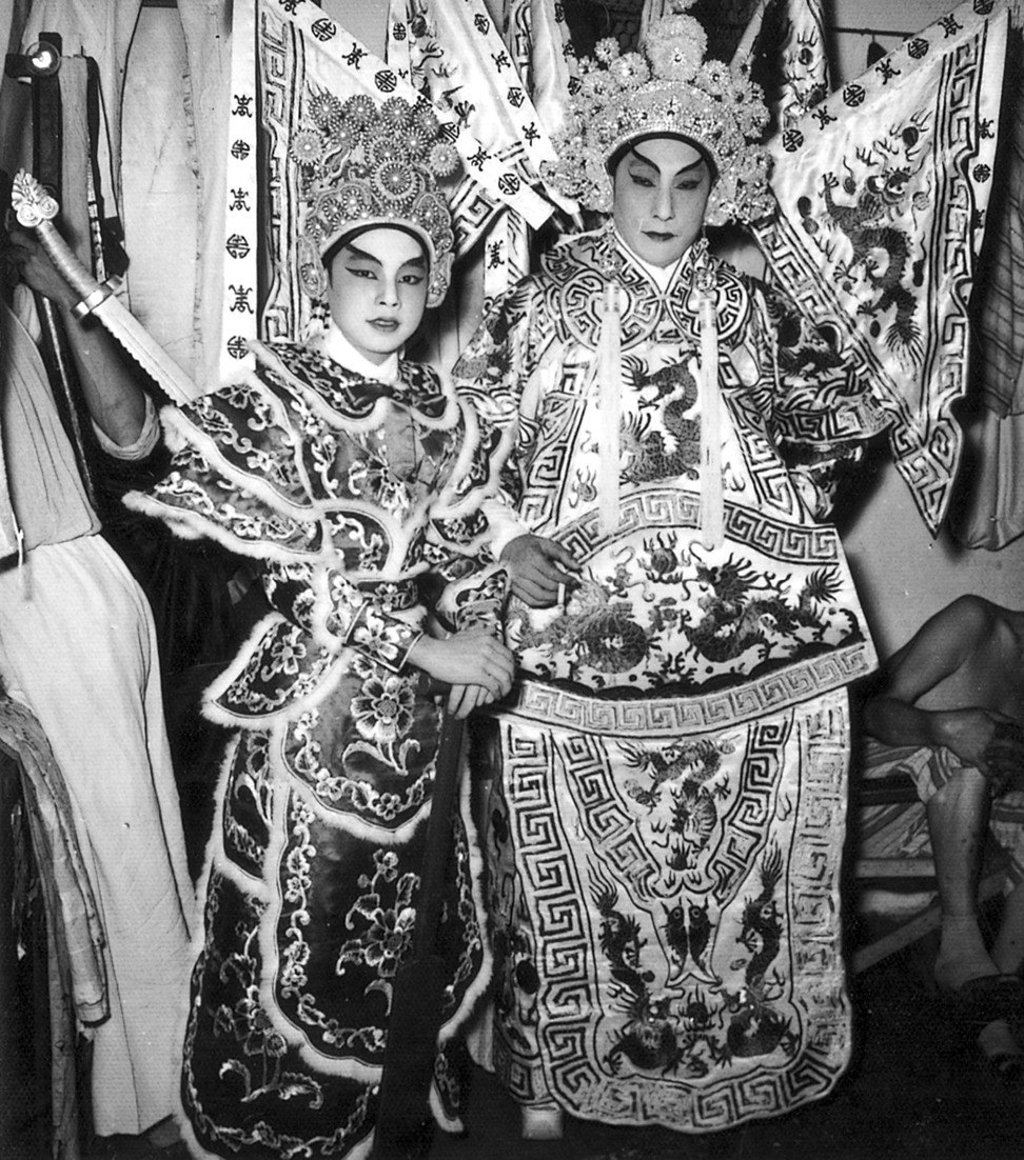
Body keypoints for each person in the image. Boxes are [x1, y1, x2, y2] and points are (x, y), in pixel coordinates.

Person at [454, 5, 891, 1139]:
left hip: (719, 632)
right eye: (639, 175)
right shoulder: (541, 299)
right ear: (605, 175)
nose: (660, 204)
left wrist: (881, 382)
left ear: (715, 188)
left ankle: (724, 1047)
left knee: (723, 864)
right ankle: (553, 1062)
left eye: (685, 182)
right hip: (571, 625)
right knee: (547, 841)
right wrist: (504, 535)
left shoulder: (745, 308)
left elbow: (810, 436)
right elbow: (464, 436)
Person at [125, 92, 516, 1160]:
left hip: (429, 735)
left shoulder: (451, 414)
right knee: (299, 927)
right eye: (362, 271)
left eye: (407, 273)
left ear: (433, 284)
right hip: (315, 719)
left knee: (410, 938)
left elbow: (473, 549)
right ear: (321, 275)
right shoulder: (279, 403)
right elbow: (284, 575)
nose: (386, 296)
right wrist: (416, 641)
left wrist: (482, 638)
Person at [0, 192, 196, 1146]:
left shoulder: (23, 282)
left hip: (64, 581)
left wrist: (59, 285)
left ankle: (161, 1094)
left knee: (128, 862)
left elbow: (132, 437)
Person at [861, 595, 1024, 1081]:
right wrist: (944, 726)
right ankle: (960, 944)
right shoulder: (976, 624)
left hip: (948, 830)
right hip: (866, 810)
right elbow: (868, 710)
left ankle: (998, 986)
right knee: (965, 747)